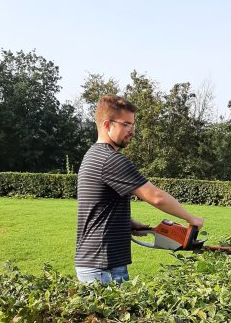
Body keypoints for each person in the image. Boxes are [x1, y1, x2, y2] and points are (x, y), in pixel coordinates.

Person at [75, 94, 204, 284]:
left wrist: (129, 222)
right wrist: (191, 219)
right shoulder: (112, 159)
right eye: (126, 124)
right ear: (107, 125)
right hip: (104, 268)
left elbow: (98, 208)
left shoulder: (92, 156)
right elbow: (156, 197)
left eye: (133, 125)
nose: (132, 131)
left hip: (96, 263)